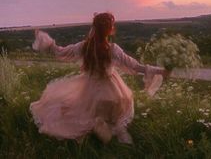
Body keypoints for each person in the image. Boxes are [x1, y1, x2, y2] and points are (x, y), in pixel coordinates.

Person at [30, 12, 169, 144]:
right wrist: (161, 71)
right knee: (124, 104)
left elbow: (61, 52)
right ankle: (117, 130)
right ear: (110, 30)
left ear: (94, 28)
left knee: (82, 109)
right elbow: (135, 66)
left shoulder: (83, 47)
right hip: (114, 91)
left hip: (91, 91)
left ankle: (100, 124)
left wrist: (46, 41)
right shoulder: (113, 49)